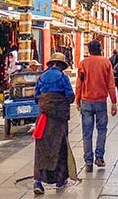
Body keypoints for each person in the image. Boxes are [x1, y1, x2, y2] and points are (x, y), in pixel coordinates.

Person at [33, 52, 77, 195]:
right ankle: (60, 179)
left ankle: (38, 181)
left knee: (41, 147)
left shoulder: (41, 77)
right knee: (60, 146)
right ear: (61, 65)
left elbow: (36, 96)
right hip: (59, 118)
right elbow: (70, 96)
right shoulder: (63, 77)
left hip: (44, 117)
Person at [75, 40, 117, 172]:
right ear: (100, 48)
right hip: (100, 101)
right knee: (102, 130)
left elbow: (79, 83)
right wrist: (114, 101)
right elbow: (111, 83)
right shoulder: (106, 63)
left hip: (86, 101)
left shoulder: (83, 63)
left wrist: (78, 99)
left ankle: (88, 162)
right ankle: (99, 157)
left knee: (87, 133)